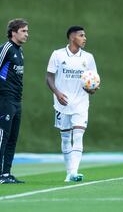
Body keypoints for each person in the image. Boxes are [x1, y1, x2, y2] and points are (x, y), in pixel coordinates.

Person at [46, 26, 99, 182]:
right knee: (65, 137)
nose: (85, 38)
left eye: (85, 35)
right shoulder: (57, 55)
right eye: (81, 35)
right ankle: (69, 172)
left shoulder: (88, 57)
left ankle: (74, 172)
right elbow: (48, 77)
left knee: (78, 136)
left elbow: (94, 80)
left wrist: (92, 89)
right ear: (72, 37)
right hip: (62, 103)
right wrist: (57, 93)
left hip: (81, 103)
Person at [0, 19, 28, 184]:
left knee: (12, 137)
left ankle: (6, 173)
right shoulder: (5, 49)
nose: (26, 34)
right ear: (13, 32)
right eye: (23, 31)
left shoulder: (20, 51)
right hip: (4, 98)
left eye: (26, 31)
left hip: (17, 100)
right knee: (2, 136)